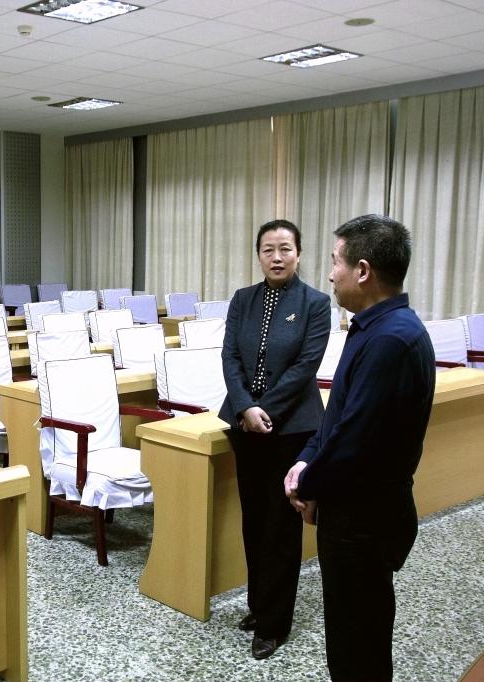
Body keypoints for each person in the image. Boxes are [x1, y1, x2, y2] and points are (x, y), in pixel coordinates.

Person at [284, 214, 435, 682]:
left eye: (336, 262)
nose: (331, 274)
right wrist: (307, 459)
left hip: (363, 519)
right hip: (352, 508)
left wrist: (307, 484)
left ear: (363, 271)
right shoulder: (375, 327)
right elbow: (339, 414)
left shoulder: (391, 339)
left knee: (358, 643)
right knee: (352, 632)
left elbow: (356, 441)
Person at [219, 219, 331, 660]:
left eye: (285, 248)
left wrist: (265, 409)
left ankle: (274, 622)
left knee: (281, 526)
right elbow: (230, 356)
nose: (277, 257)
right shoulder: (243, 299)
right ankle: (258, 604)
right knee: (253, 519)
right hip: (244, 427)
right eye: (268, 249)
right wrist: (245, 407)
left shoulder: (315, 303)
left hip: (293, 429)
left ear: (298, 253)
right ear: (259, 255)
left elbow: (306, 366)